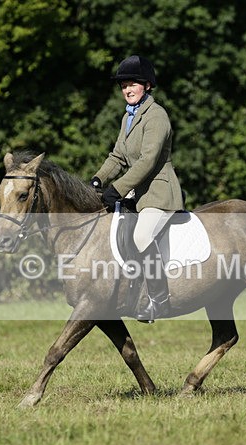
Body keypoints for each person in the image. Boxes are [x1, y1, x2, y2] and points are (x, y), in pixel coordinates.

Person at [93, 54, 184, 323]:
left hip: (159, 192)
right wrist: (97, 180)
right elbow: (118, 156)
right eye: (123, 86)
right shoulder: (128, 118)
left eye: (133, 84)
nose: (127, 90)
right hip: (137, 194)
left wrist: (117, 188)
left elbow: (147, 162)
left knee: (142, 236)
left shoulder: (157, 117)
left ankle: (160, 301)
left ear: (147, 86)